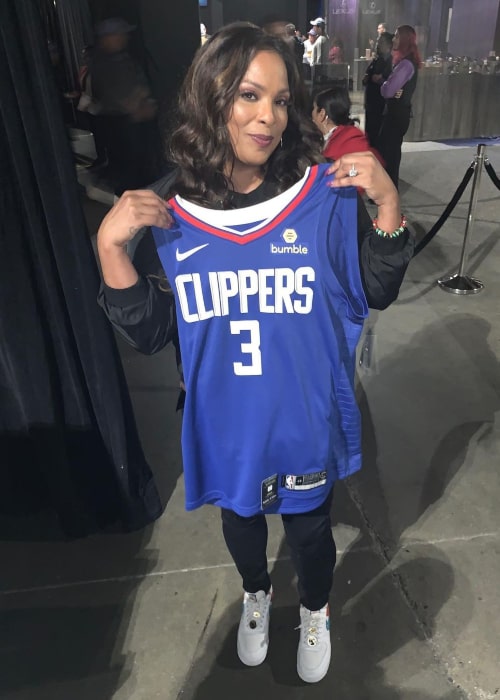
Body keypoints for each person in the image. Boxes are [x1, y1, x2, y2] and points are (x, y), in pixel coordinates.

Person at [96, 22, 413, 684]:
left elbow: (375, 288)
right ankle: (257, 592)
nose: (268, 116)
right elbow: (151, 332)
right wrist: (110, 249)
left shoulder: (318, 194)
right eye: (249, 95)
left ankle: (316, 607)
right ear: (211, 97)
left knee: (309, 532)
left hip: (301, 416)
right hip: (227, 419)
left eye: (280, 100)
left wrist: (387, 202)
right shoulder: (171, 208)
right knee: (241, 524)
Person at [88, 17, 159, 194]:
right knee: (129, 172)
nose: (125, 38)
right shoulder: (105, 63)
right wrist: (139, 107)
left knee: (139, 169)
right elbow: (119, 97)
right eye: (119, 35)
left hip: (130, 122)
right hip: (122, 123)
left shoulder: (122, 58)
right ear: (107, 38)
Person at [378, 24, 421, 189]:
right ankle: (388, 190)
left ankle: (388, 191)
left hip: (396, 115)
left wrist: (384, 83)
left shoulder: (406, 65)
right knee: (390, 153)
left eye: (396, 36)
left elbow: (388, 91)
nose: (393, 39)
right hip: (398, 113)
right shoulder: (404, 61)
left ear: (404, 40)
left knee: (389, 155)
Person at [312, 86, 381, 162]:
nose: (312, 114)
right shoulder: (343, 137)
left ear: (322, 114)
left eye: (314, 108)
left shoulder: (349, 139)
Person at [363, 31, 394, 148]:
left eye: (380, 42)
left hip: (380, 103)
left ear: (388, 45)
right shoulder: (377, 59)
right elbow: (368, 76)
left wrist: (380, 79)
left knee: (378, 136)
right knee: (369, 135)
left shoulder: (391, 61)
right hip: (371, 102)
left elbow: (387, 80)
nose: (377, 44)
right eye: (377, 41)